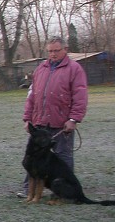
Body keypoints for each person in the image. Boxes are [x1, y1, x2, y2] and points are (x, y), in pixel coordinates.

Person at [20, 37, 88, 197]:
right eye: (50, 51)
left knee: (63, 157)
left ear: (65, 49)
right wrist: (27, 118)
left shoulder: (74, 69)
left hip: (62, 122)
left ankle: (64, 191)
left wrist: (73, 119)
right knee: (33, 157)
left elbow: (80, 96)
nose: (53, 54)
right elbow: (32, 95)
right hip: (40, 122)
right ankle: (27, 190)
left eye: (56, 50)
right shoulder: (40, 69)